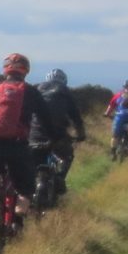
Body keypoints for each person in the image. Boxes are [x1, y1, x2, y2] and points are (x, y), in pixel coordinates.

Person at [0, 53, 47, 223]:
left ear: (5, 70)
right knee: (25, 181)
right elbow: (45, 118)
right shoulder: (30, 91)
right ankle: (21, 208)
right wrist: (53, 136)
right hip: (18, 143)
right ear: (26, 71)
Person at [29, 66, 88, 198]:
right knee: (67, 155)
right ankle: (60, 179)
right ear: (64, 82)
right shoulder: (65, 92)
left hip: (33, 135)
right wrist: (81, 134)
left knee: (31, 162)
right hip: (57, 136)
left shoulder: (35, 89)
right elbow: (75, 117)